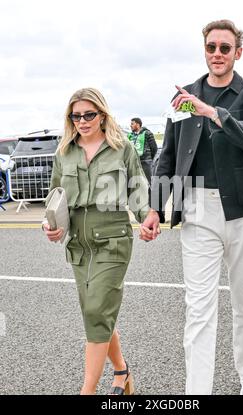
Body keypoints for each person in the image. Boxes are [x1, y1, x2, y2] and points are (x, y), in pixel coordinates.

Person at [140, 19, 243, 395]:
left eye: (224, 47)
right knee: (199, 308)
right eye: (211, 47)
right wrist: (155, 207)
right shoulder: (183, 95)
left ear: (238, 52)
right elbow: (166, 157)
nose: (217, 54)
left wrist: (213, 112)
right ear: (204, 49)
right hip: (198, 207)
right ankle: (196, 390)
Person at [42, 87, 157, 395]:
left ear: (103, 115)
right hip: (78, 245)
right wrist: (49, 226)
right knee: (97, 315)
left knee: (96, 312)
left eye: (89, 114)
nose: (82, 121)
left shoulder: (122, 148)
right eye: (76, 116)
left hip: (113, 240)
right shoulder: (64, 152)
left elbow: (138, 191)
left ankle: (87, 391)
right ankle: (122, 372)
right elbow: (55, 198)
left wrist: (146, 217)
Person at [128, 118, 158, 184]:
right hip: (134, 162)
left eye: (132, 124)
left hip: (145, 162)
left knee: (148, 182)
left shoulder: (147, 133)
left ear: (138, 125)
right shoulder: (130, 135)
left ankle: (150, 194)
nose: (130, 125)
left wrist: (149, 159)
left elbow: (154, 148)